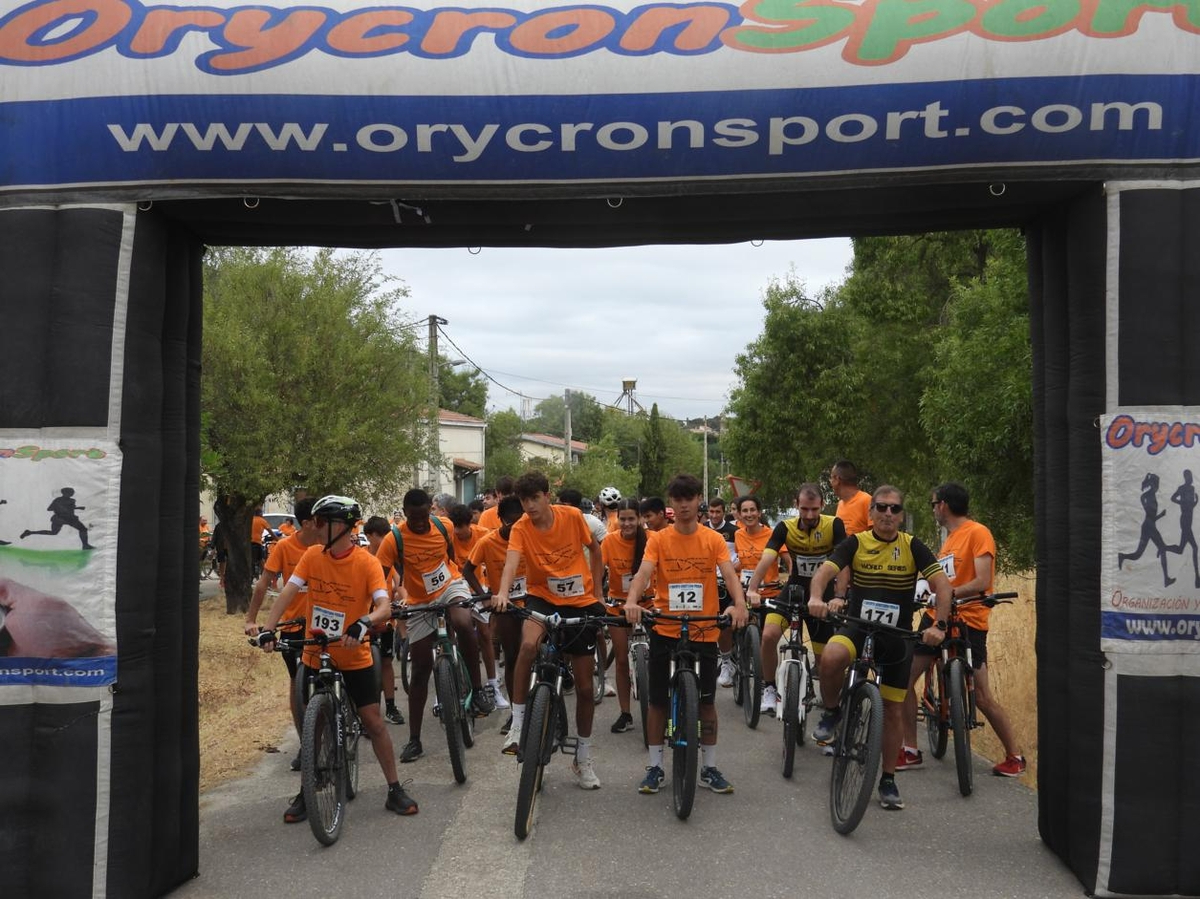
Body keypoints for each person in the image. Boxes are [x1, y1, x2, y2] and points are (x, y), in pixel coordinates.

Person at [255, 495, 418, 819]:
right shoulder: (312, 556)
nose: (314, 528)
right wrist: (268, 629)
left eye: (320, 522)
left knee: (373, 722)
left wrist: (365, 621)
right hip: (317, 653)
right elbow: (287, 592)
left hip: (354, 655)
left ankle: (394, 788)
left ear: (340, 527)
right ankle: (308, 790)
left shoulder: (366, 563)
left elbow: (384, 606)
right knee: (312, 725)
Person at [807, 485, 951, 812]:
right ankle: (832, 711)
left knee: (892, 709)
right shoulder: (856, 542)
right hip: (858, 626)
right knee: (831, 657)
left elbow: (942, 585)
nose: (888, 513)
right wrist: (816, 597)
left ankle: (887, 779)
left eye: (894, 509)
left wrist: (939, 626)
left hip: (896, 635)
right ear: (871, 512)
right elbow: (824, 572)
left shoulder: (912, 546)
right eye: (882, 507)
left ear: (901, 515)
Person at [624, 474, 749, 795]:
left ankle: (709, 767)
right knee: (657, 702)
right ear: (671, 503)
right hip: (665, 625)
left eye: (689, 499)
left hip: (704, 627)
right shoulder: (659, 539)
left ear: (698, 501)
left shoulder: (713, 539)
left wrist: (739, 604)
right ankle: (655, 766)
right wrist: (631, 601)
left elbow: (729, 575)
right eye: (677, 500)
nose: (683, 505)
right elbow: (643, 573)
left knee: (706, 702)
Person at [492, 471, 607, 789]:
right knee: (528, 646)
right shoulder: (520, 528)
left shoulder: (571, 517)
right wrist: (502, 593)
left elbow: (596, 550)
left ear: (546, 496)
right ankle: (517, 724)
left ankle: (582, 757)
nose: (529, 506)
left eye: (534, 498)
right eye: (524, 500)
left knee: (585, 688)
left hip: (580, 600)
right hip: (542, 597)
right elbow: (511, 563)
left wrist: (598, 594)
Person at [902, 483, 1027, 777]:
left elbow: (982, 581)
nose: (933, 510)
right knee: (905, 681)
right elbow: (940, 577)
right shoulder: (949, 541)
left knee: (982, 696)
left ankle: (1015, 756)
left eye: (933, 504)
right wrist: (925, 589)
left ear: (943, 505)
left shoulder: (977, 533)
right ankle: (910, 749)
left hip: (969, 620)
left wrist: (948, 595)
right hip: (935, 616)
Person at [375, 489, 491, 765]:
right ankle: (414, 739)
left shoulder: (444, 526)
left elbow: (450, 556)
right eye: (412, 517)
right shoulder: (393, 539)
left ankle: (477, 690)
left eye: (423, 516)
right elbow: (380, 576)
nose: (418, 522)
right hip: (419, 599)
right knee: (420, 668)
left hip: (450, 585)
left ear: (430, 509)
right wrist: (382, 606)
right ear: (404, 513)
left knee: (463, 622)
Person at [746, 484, 846, 716]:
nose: (809, 515)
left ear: (822, 505)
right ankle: (769, 688)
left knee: (824, 661)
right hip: (793, 591)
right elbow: (768, 557)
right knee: (769, 636)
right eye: (804, 509)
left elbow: (843, 563)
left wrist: (839, 596)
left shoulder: (834, 525)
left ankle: (831, 704)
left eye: (814, 509)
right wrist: (752, 588)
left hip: (822, 597)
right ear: (796, 505)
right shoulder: (785, 527)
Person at [244, 497, 325, 768]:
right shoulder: (284, 547)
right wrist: (251, 620)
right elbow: (263, 584)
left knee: (328, 678)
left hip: (324, 624)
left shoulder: (327, 544)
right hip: (293, 625)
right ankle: (307, 744)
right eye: (321, 519)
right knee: (297, 683)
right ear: (309, 522)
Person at [461, 495, 524, 728]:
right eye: (509, 523)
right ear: (500, 519)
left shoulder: (530, 537)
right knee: (512, 657)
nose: (514, 527)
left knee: (534, 653)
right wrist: (485, 596)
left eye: (519, 522)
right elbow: (468, 570)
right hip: (505, 606)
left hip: (532, 603)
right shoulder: (487, 542)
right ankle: (516, 714)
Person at [600, 497, 657, 734]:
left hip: (650, 604)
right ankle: (625, 713)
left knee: (660, 656)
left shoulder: (654, 539)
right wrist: (597, 597)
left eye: (631, 519)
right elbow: (597, 571)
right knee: (621, 660)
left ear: (640, 518)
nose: (626, 524)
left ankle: (660, 707)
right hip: (618, 605)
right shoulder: (609, 541)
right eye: (622, 519)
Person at [731, 495, 787, 715]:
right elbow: (740, 561)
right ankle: (737, 656)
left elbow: (787, 559)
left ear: (760, 512)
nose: (749, 514)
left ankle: (768, 686)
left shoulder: (772, 534)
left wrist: (791, 580)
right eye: (744, 511)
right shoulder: (738, 535)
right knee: (733, 620)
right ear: (739, 514)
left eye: (752, 510)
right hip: (746, 591)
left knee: (766, 640)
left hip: (770, 593)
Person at [447, 502, 503, 709]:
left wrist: (489, 592)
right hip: (454, 589)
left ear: (469, 524)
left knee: (485, 634)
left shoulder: (483, 535)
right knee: (452, 634)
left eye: (462, 527)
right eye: (455, 527)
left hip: (478, 588)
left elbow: (492, 561)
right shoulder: (448, 537)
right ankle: (451, 682)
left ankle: (493, 685)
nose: (458, 531)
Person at [363, 515, 405, 726]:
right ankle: (364, 711)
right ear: (369, 536)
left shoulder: (389, 559)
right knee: (364, 666)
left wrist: (404, 598)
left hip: (385, 619)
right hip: (365, 618)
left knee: (387, 662)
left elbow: (399, 583)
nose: (385, 541)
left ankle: (390, 706)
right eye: (381, 536)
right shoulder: (362, 558)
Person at [703, 498, 739, 688]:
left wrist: (732, 568)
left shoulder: (734, 531)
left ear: (724, 512)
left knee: (724, 625)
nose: (714, 515)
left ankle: (727, 661)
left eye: (718, 512)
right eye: (711, 511)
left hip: (727, 582)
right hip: (707, 583)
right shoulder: (701, 529)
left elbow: (742, 554)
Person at [20, 487, 93, 550]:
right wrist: (61, 507)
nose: (72, 493)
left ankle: (30, 532)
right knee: (82, 529)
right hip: (66, 519)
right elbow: (50, 509)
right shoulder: (65, 500)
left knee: (54, 532)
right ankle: (85, 545)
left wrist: (77, 508)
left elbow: (64, 508)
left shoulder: (63, 500)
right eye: (71, 492)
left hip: (61, 518)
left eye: (72, 492)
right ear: (65, 493)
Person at [1168, 470, 1200, 588]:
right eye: (1189, 476)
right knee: (1194, 547)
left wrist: (1196, 502)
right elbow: (1172, 498)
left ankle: (1163, 548)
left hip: (1188, 520)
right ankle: (1197, 579)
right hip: (1185, 521)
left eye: (1191, 476)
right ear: (1185, 477)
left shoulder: (1192, 489)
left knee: (1181, 549)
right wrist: (1182, 502)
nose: (1191, 478)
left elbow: (1190, 506)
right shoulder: (1181, 488)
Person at [830, 460, 872, 536]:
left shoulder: (867, 500)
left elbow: (878, 535)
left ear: (837, 479)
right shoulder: (840, 504)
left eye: (831, 478)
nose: (830, 482)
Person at [250, 507, 271, 571]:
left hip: (249, 542)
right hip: (257, 542)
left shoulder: (250, 519)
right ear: (260, 513)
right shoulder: (262, 520)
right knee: (261, 559)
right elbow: (270, 532)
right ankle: (264, 573)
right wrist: (278, 540)